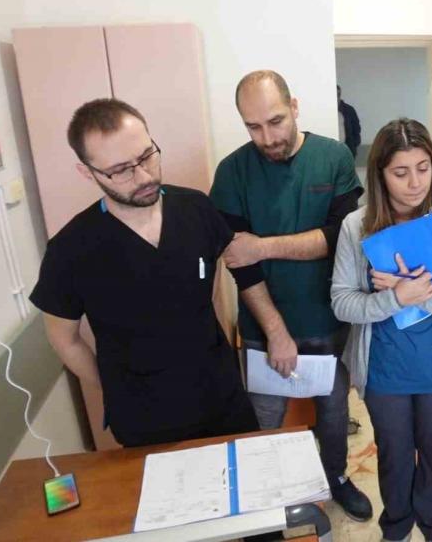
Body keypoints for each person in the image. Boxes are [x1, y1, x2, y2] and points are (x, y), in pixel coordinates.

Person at [30, 98, 264, 448]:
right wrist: (115, 388)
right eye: (121, 170)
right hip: (145, 418)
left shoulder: (196, 208)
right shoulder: (70, 250)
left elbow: (211, 289)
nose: (143, 176)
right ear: (88, 172)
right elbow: (64, 339)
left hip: (222, 396)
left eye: (146, 156)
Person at [209, 70, 371, 521]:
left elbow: (340, 238)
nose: (268, 137)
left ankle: (337, 478)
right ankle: (267, 498)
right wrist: (276, 331)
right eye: (254, 127)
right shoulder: (232, 172)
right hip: (263, 330)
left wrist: (262, 245)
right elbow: (240, 262)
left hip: (328, 320)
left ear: (294, 106)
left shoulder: (333, 157)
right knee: (265, 422)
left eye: (276, 121)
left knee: (334, 414)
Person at [331, 118, 432, 542]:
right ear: (380, 174)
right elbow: (342, 302)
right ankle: (397, 529)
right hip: (384, 372)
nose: (415, 183)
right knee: (395, 459)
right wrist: (395, 299)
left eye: (423, 168)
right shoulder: (356, 227)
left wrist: (420, 292)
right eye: (400, 172)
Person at [338, 85, 361, 158]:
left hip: (348, 149)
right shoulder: (326, 112)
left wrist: (354, 144)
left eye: (338, 95)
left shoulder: (349, 110)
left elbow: (356, 129)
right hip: (332, 149)